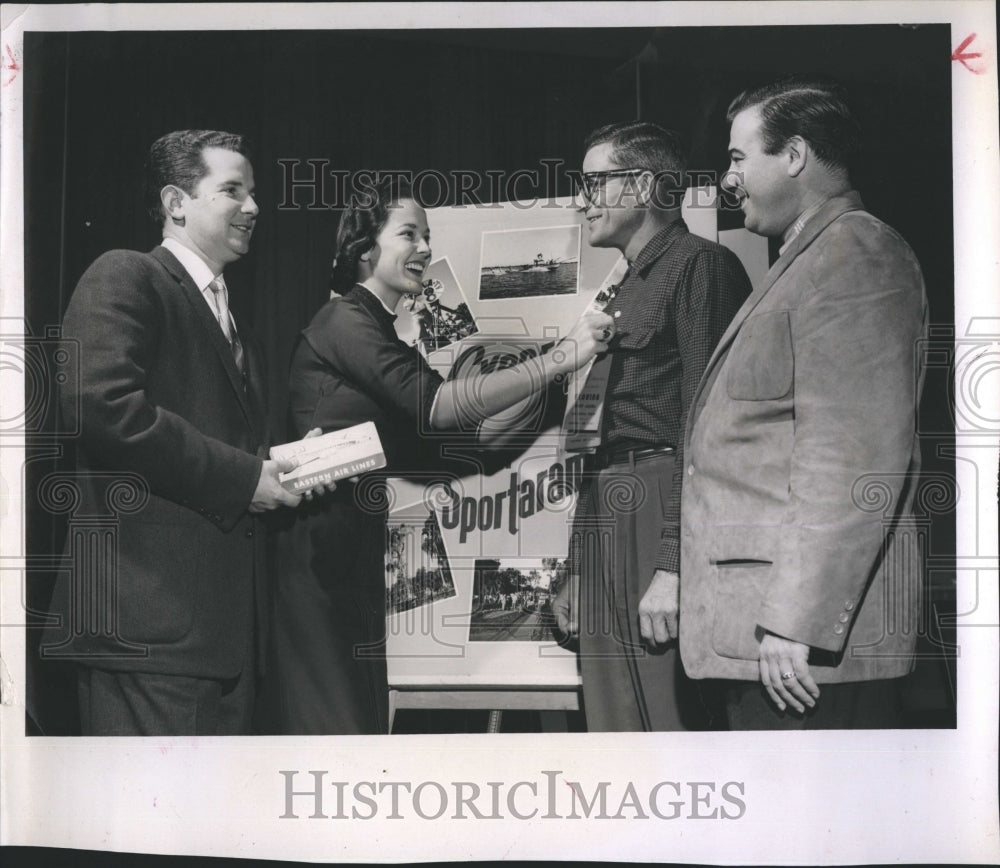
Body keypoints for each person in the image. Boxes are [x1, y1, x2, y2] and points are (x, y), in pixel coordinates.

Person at [261, 177, 613, 734]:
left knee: (360, 732)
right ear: (363, 246)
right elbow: (441, 408)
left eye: (428, 235)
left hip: (350, 557)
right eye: (409, 234)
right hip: (314, 561)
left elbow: (472, 451)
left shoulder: (379, 336)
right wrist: (558, 359)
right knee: (336, 737)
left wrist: (557, 382)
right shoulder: (343, 322)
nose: (425, 248)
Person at [43, 129, 321, 736]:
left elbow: (211, 445)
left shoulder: (228, 316)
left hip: (216, 645)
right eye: (232, 190)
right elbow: (100, 404)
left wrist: (284, 468)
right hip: (151, 637)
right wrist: (248, 477)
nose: (254, 207)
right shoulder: (126, 274)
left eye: (254, 192)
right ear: (176, 203)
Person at [678, 75, 928, 729]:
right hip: (767, 642)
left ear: (793, 156)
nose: (729, 180)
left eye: (738, 158)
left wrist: (797, 621)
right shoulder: (809, 259)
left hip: (798, 655)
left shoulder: (854, 253)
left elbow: (849, 457)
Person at [552, 122, 753, 731]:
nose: (581, 199)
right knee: (612, 722)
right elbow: (599, 435)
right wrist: (577, 564)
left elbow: (707, 427)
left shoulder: (702, 268)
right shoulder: (621, 287)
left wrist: (674, 565)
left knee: (667, 725)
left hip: (660, 503)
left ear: (641, 185)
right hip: (610, 509)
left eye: (593, 183)